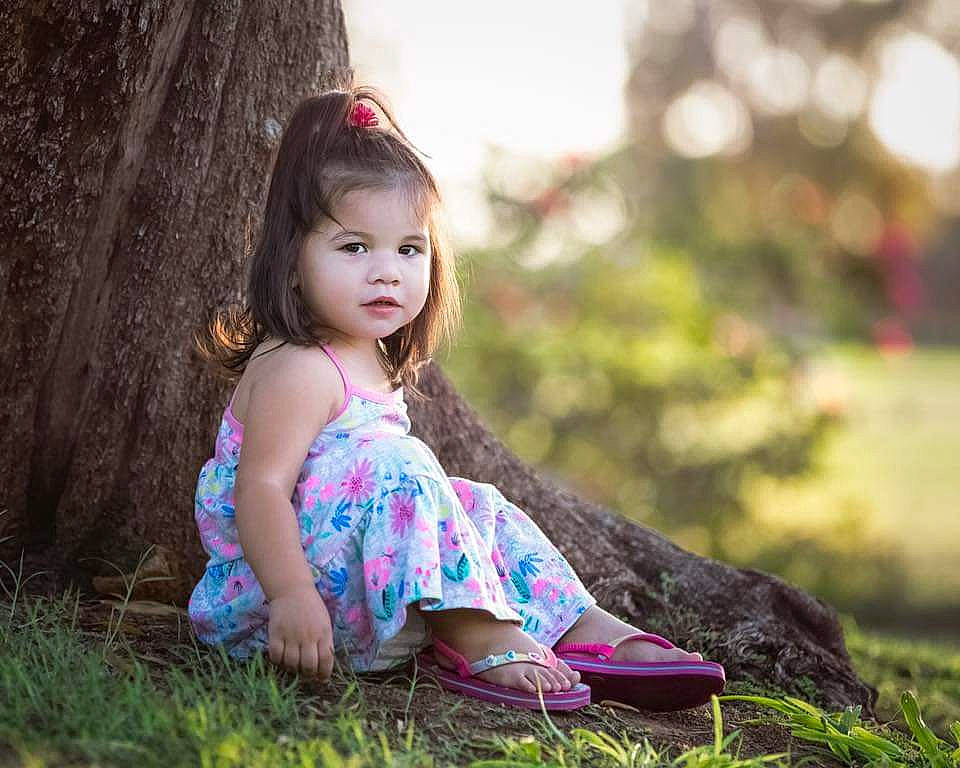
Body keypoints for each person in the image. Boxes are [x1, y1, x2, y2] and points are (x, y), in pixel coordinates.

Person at [187, 84, 725, 711]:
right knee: (404, 466)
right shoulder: (297, 366)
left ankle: (577, 627)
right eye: (354, 246)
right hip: (281, 604)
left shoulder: (369, 356)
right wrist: (291, 598)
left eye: (408, 249)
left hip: (353, 588)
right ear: (291, 258)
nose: (387, 270)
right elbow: (260, 489)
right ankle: (476, 633)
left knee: (478, 502)